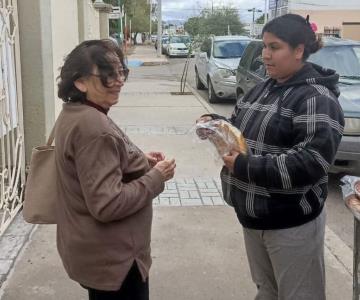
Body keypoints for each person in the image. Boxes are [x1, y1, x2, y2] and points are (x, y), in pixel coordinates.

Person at [197, 14, 344, 299]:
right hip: (253, 219)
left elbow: (312, 162)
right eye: (264, 46)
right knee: (267, 291)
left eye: (274, 47)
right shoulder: (263, 88)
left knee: (299, 295)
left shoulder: (316, 98)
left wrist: (245, 166)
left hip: (291, 224)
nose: (265, 55)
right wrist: (214, 124)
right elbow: (238, 127)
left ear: (299, 50)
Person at [55, 39, 176, 300]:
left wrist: (136, 159)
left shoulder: (75, 112)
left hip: (95, 252)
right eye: (108, 75)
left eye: (121, 71)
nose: (119, 80)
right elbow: (107, 204)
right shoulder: (94, 127)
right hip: (116, 261)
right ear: (80, 82)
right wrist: (156, 177)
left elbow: (88, 165)